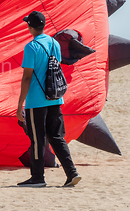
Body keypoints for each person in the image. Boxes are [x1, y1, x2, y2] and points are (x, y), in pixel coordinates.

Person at [16, 11, 81, 188]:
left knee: (37, 139)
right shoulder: (54, 43)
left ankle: (37, 177)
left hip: (36, 101)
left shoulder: (31, 47)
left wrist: (20, 103)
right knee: (57, 137)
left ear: (30, 27)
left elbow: (27, 77)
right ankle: (71, 173)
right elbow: (53, 68)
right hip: (55, 99)